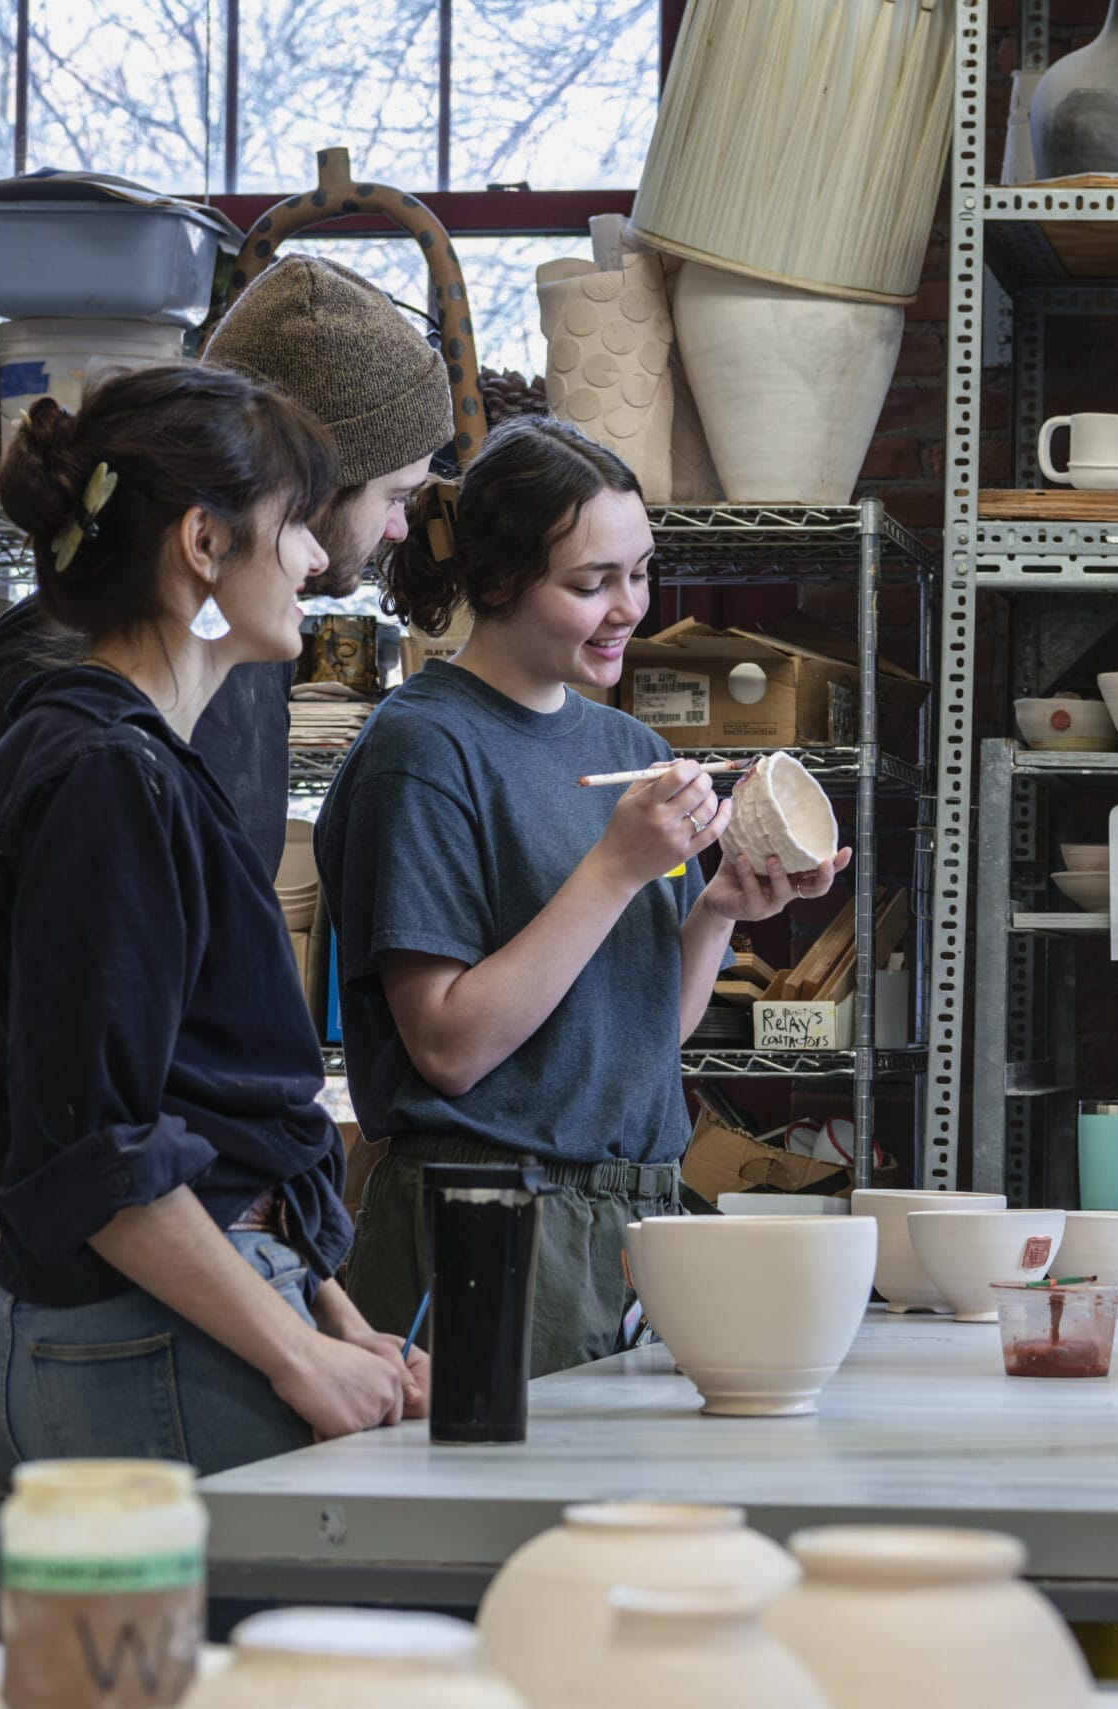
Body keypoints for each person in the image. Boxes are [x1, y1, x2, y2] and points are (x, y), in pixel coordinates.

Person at [0, 256, 446, 1332]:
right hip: (116, 1277)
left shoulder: (234, 651)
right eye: (392, 495)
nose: (391, 531)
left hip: (195, 1249)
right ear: (294, 488)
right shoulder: (75, 660)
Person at [0, 368, 424, 1547]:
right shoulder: (109, 775)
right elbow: (102, 1149)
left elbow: (195, 1108)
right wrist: (294, 1349)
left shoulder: (95, 752)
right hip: (147, 1350)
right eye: (295, 523)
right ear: (204, 541)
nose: (311, 558)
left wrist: (328, 1309)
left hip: (142, 1331)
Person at [317, 416, 848, 1372]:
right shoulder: (424, 749)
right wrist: (613, 869)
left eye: (640, 572)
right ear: (496, 582)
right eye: (589, 583)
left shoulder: (630, 751)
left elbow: (651, 1033)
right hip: (486, 1214)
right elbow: (447, 1046)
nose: (628, 608)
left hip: (636, 1217)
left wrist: (721, 906)